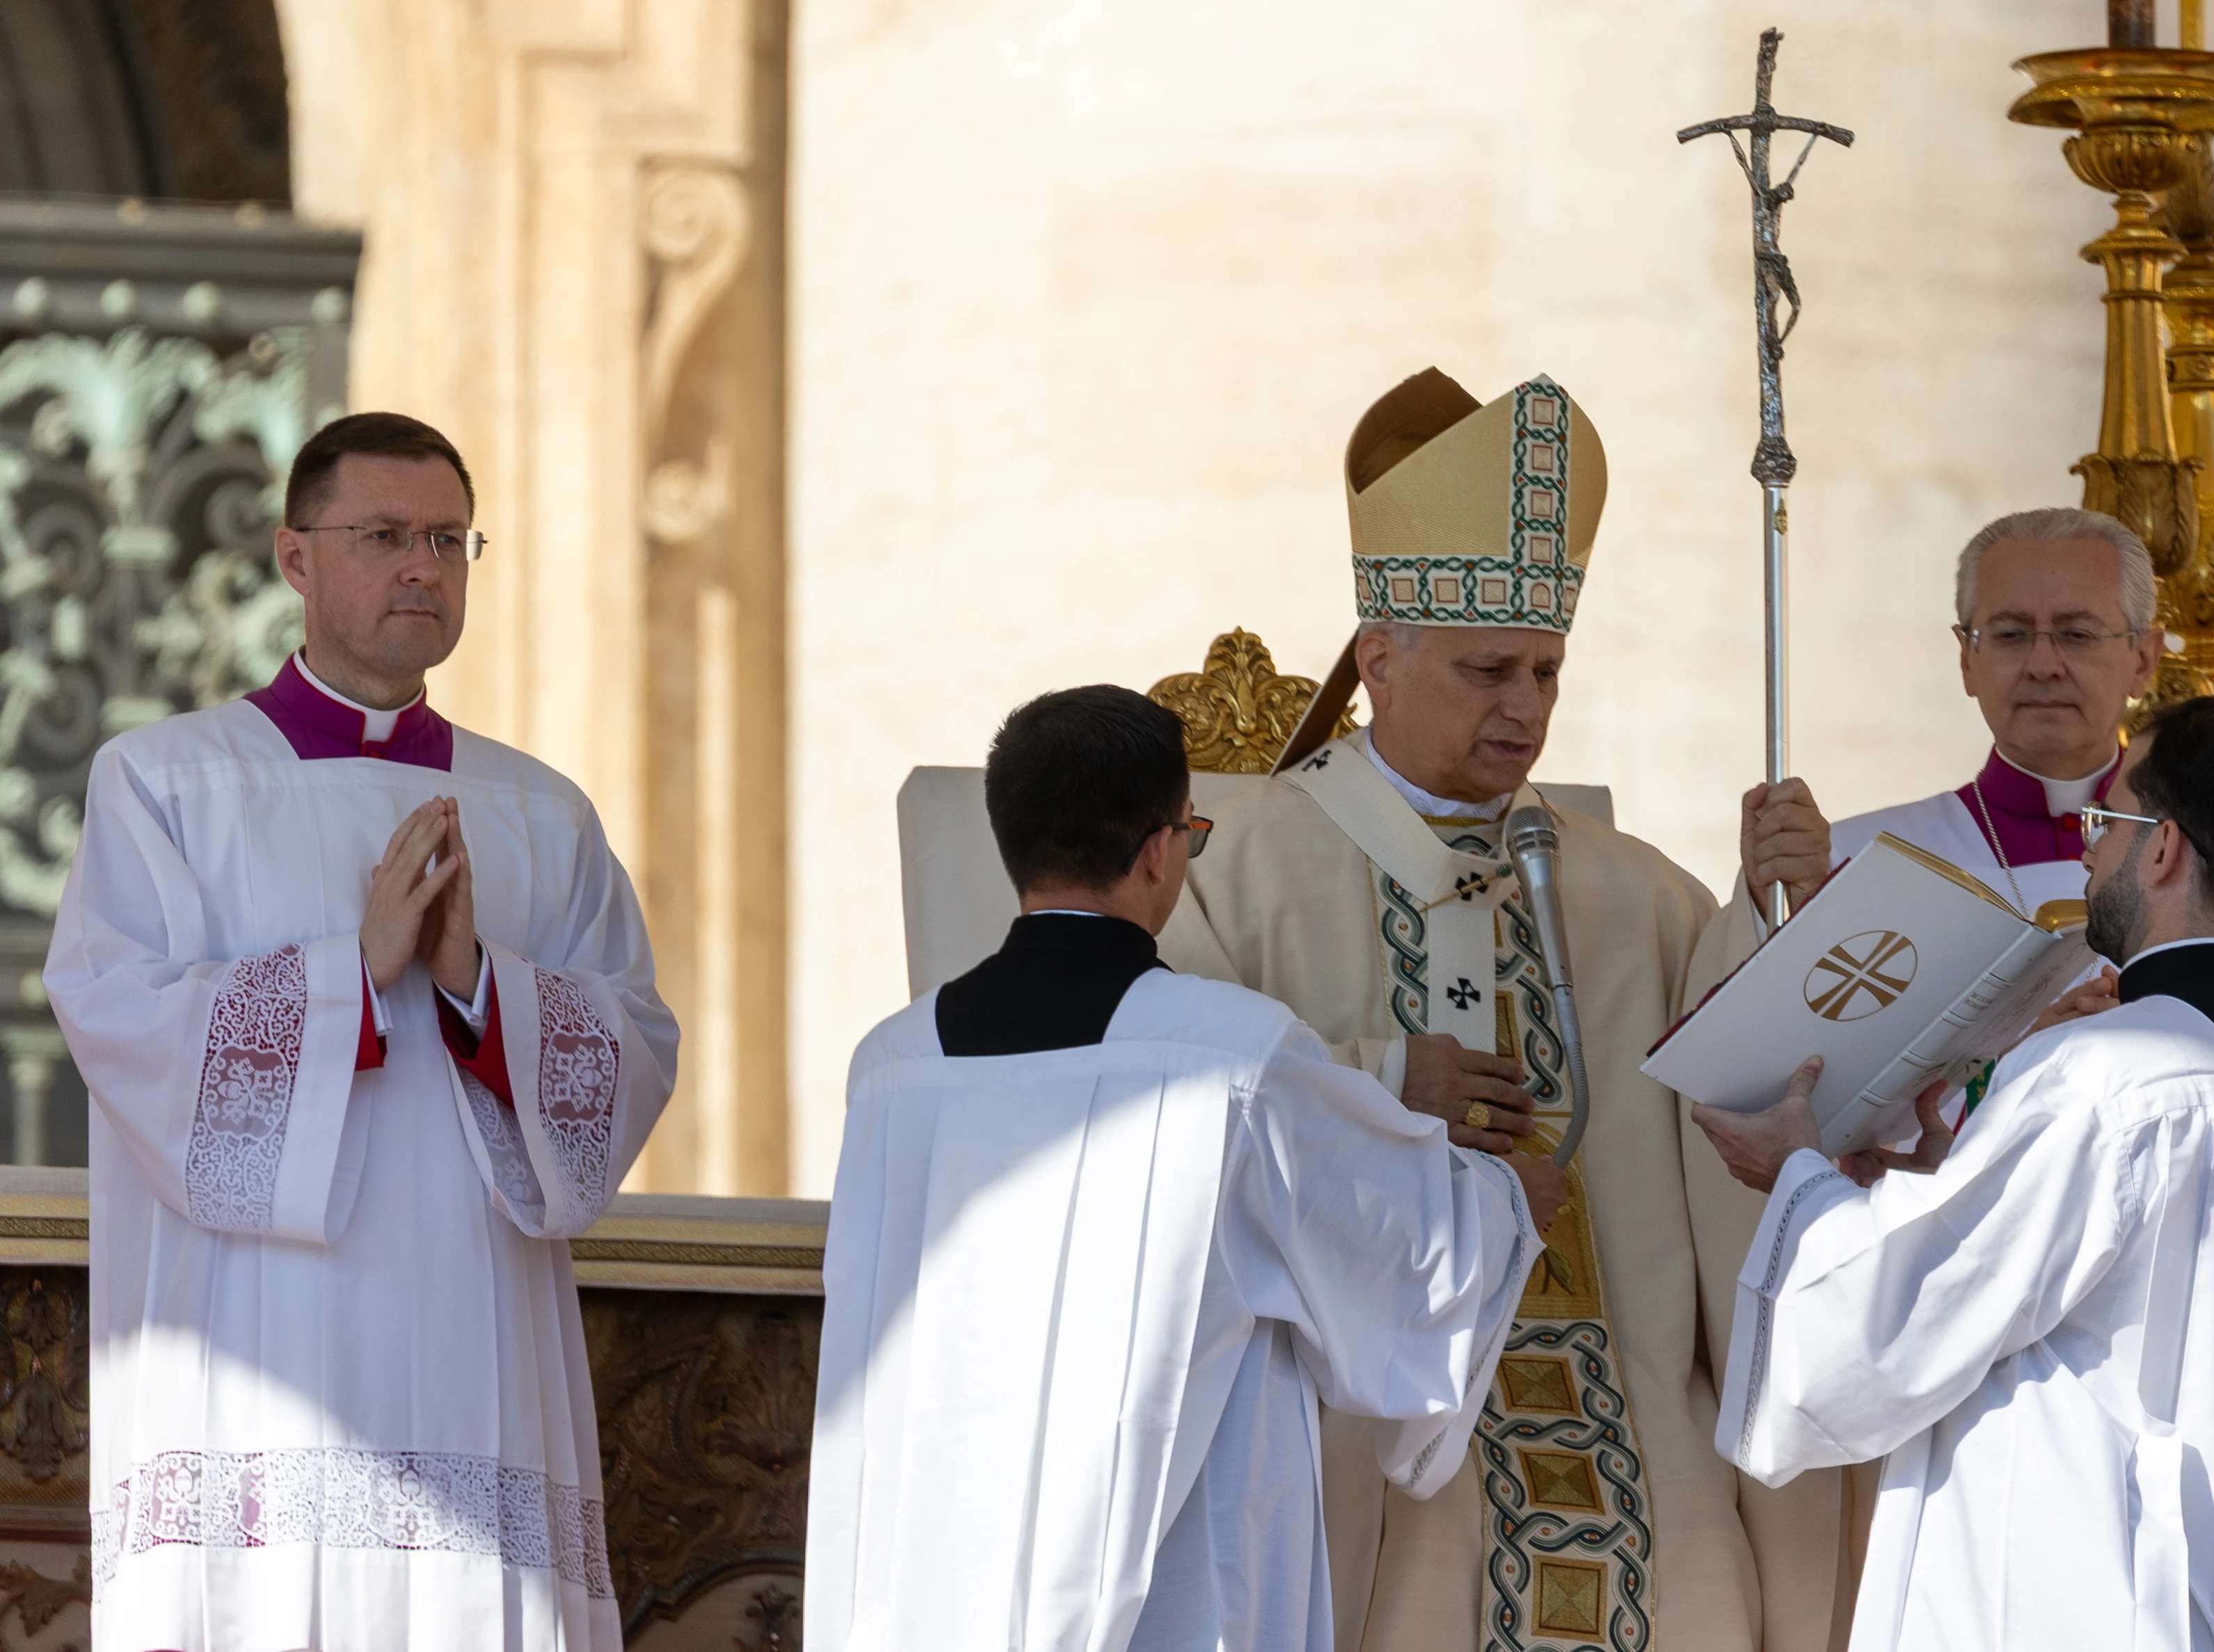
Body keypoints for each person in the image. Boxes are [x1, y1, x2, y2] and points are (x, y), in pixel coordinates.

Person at [1159, 368, 1840, 1652]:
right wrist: (1373, 1084)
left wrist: (1774, 920)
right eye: (1486, 670)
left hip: (1626, 1418)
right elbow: (1174, 1120)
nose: (1523, 707)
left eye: (1544, 670)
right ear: (1378, 660)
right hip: (1369, 1431)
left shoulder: (1639, 898)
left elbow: (1744, 1123)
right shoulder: (1236, 875)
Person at [47, 412, 677, 1651]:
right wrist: (350, 976)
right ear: (292, 558)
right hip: (254, 1346)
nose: (423, 568)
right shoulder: (165, 783)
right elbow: (122, 1022)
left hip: (472, 1330)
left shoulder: (542, 814)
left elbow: (631, 1043)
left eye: (448, 540)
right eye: (384, 535)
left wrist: (477, 990)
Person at [806, 686, 1556, 1652]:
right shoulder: (1229, 1055)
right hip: (1169, 1571)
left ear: (1012, 845)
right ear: (1162, 847)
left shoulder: (892, 1066)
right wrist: (1505, 1199)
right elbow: (1400, 1249)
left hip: (933, 1564)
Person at [1692, 696, 2214, 1652]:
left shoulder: (2105, 1073)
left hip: (2086, 1582)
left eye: (2105, 824)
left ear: (2161, 849)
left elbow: (1890, 1326)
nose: (2086, 854)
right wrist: (1937, 1178)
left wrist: (1799, 1177)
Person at [1829, 506, 2214, 1154]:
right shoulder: (1859, 859)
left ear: (2142, 658)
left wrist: (2162, 1074)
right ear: (1966, 659)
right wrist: (2022, 1073)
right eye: (2009, 634)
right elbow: (1817, 1114)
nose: (2043, 664)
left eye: (2077, 634)